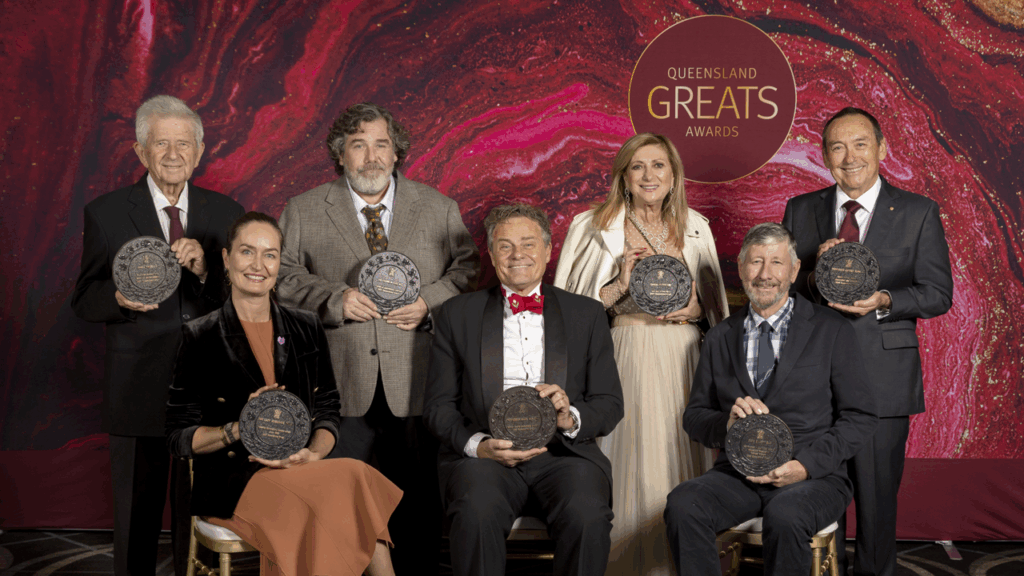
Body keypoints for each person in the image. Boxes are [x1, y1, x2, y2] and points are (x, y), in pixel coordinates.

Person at [276, 102, 479, 574]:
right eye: (358, 145)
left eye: (381, 145)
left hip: (418, 379)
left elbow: (468, 268)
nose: (371, 156)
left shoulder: (438, 207)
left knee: (418, 506)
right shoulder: (304, 209)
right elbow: (281, 276)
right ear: (340, 154)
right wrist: (333, 299)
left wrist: (429, 300)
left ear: (396, 153)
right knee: (342, 509)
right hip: (341, 384)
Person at [165, 212, 402, 576]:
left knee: (353, 476)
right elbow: (178, 436)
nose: (258, 265)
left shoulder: (306, 326)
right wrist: (240, 428)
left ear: (279, 263)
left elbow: (327, 407)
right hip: (234, 480)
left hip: (299, 465)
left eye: (270, 254)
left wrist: (313, 453)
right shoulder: (200, 336)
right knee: (338, 497)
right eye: (247, 252)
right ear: (226, 259)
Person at [71, 95, 244, 576]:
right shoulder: (105, 213)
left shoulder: (226, 211)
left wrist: (209, 269)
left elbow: (246, 299)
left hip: (208, 390)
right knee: (135, 516)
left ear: (201, 149)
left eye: (183, 143)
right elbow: (84, 299)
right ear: (139, 151)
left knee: (200, 515)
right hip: (135, 387)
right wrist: (122, 298)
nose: (173, 153)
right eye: (160, 143)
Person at [782, 107, 954, 576]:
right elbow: (784, 295)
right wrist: (814, 272)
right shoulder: (801, 210)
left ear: (881, 148)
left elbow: (938, 295)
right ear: (824, 156)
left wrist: (882, 298)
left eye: (860, 144)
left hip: (883, 379)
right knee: (816, 492)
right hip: (814, 380)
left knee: (877, 503)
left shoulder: (918, 212)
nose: (849, 156)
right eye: (837, 147)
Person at [553, 133, 729, 575]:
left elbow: (716, 308)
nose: (649, 176)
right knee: (626, 456)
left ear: (673, 177)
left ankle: (680, 564)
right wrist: (620, 285)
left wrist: (696, 308)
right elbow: (568, 312)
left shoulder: (696, 226)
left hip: (685, 356)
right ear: (623, 177)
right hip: (623, 351)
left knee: (678, 451)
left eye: (659, 166)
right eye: (638, 167)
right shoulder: (591, 226)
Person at [663, 223, 878, 575]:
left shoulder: (831, 329)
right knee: (684, 504)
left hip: (813, 479)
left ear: (793, 270)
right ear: (742, 269)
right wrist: (726, 424)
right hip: (737, 476)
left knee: (786, 514)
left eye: (776, 263)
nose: (765, 274)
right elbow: (695, 416)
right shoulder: (720, 337)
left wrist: (805, 465)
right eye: (756, 262)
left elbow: (860, 416)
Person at [423, 203, 624, 576]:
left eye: (529, 244)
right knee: (475, 512)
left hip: (563, 457)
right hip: (484, 458)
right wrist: (477, 446)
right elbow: (438, 407)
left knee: (588, 515)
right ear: (491, 254)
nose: (518, 255)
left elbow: (609, 403)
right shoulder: (455, 314)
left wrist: (570, 418)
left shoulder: (587, 314)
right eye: (505, 246)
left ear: (548, 251)